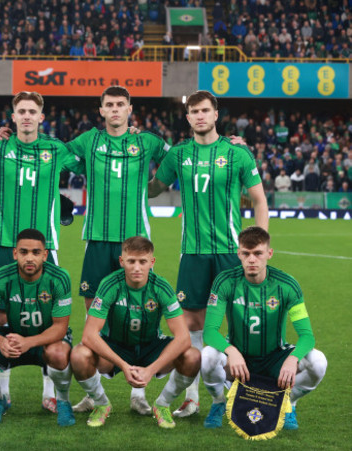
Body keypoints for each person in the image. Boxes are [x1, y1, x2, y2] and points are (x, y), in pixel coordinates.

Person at [148, 90, 269, 418]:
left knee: (241, 322)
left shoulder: (236, 153)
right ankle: (196, 397)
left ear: (216, 114)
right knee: (192, 324)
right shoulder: (179, 154)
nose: (200, 116)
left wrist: (259, 246)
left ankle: (248, 392)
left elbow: (259, 201)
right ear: (187, 117)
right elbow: (155, 187)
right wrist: (127, 169)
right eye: (193, 111)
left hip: (231, 252)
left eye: (205, 110)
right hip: (193, 253)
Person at [0, 91, 84, 412]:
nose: (26, 116)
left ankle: (49, 394)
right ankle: (1, 394)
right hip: (6, 243)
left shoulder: (55, 148)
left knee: (48, 314)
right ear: (13, 116)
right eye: (21, 111)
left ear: (41, 117)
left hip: (46, 245)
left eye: (31, 111)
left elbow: (88, 161)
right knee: (4, 316)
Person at [67, 85, 170, 415]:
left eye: (120, 104)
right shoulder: (88, 141)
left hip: (135, 243)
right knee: (93, 318)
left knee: (140, 317)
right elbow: (57, 154)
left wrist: (154, 187)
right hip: (97, 239)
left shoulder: (147, 141)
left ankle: (138, 394)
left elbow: (179, 158)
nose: (114, 109)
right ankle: (95, 394)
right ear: (101, 110)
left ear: (129, 109)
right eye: (108, 105)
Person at [201, 226, 327, 429]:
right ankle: (218, 403)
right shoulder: (224, 282)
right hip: (238, 358)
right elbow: (209, 331)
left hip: (275, 357)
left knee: (318, 362)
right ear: (238, 254)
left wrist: (293, 358)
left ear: (269, 254)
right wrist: (231, 351)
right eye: (246, 254)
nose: (252, 259)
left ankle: (288, 404)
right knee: (207, 355)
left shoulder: (287, 286)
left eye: (258, 253)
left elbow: (307, 336)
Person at [71, 236, 200, 428]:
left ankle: (162, 404)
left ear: (152, 262)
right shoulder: (109, 284)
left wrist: (151, 370)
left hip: (150, 346)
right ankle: (101, 403)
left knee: (192, 356)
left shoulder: (161, 287)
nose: (137, 267)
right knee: (79, 355)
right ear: (122, 262)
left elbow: (183, 338)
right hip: (116, 346)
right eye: (131, 261)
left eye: (142, 262)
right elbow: (89, 335)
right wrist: (123, 365)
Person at [0, 229, 76, 427]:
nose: (29, 258)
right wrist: (1, 341)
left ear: (45, 255)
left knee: (59, 353)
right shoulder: (1, 277)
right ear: (15, 253)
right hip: (14, 339)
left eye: (36, 252)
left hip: (46, 341)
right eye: (24, 252)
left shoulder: (59, 277)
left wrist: (29, 342)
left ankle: (63, 401)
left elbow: (60, 327)